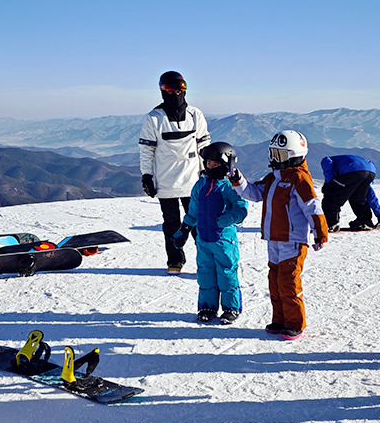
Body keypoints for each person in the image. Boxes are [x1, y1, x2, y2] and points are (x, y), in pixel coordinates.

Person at [229, 130, 328, 340]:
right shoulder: (274, 177)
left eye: (279, 155)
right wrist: (238, 180)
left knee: (288, 282)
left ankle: (295, 323)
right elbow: (254, 193)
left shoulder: (300, 179)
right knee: (274, 281)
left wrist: (320, 233)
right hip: (273, 238)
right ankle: (280, 319)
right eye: (273, 154)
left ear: (294, 155)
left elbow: (313, 207)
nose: (274, 159)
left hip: (292, 241)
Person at [138, 71, 211, 274]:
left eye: (181, 88)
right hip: (165, 181)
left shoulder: (195, 115)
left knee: (197, 224)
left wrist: (207, 170)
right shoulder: (154, 118)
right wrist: (147, 176)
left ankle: (204, 261)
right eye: (171, 89)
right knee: (171, 224)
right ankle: (175, 260)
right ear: (162, 90)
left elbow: (204, 145)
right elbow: (146, 150)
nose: (176, 92)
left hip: (193, 180)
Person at [173, 142, 248, 324]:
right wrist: (183, 230)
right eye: (208, 163)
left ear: (225, 165)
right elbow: (193, 211)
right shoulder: (200, 185)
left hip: (223, 240)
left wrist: (221, 221)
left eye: (215, 164)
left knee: (226, 274)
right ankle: (207, 307)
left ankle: (231, 308)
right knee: (205, 274)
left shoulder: (229, 186)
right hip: (203, 239)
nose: (210, 167)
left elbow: (241, 211)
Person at [319, 154, 380, 231]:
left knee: (331, 196)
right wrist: (379, 214)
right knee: (358, 197)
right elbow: (369, 193)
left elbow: (327, 162)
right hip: (370, 170)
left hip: (352, 170)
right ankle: (365, 221)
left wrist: (327, 184)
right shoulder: (344, 163)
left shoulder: (329, 160)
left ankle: (331, 223)